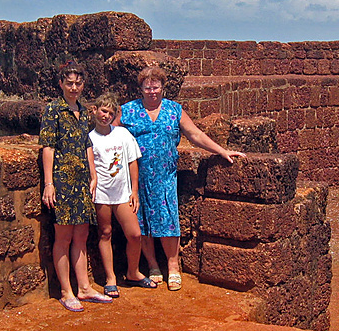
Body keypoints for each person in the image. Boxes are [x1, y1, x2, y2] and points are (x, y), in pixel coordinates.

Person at [117, 66, 246, 291]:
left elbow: (194, 134)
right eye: (147, 87)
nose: (152, 92)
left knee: (168, 221)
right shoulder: (128, 110)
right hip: (136, 179)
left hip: (165, 177)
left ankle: (173, 266)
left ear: (163, 88)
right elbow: (109, 133)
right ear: (141, 89)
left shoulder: (174, 110)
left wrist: (220, 151)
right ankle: (153, 265)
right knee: (142, 222)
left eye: (156, 87)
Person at [39, 61, 112, 312]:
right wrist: (49, 183)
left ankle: (83, 287)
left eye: (77, 83)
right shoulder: (53, 111)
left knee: (81, 235)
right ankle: (66, 290)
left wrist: (93, 175)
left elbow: (87, 145)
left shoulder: (83, 111)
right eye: (69, 83)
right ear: (61, 84)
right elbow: (47, 147)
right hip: (62, 180)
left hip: (82, 182)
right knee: (64, 236)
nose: (73, 87)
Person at [89, 92, 157, 297]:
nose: (106, 116)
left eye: (110, 113)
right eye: (103, 111)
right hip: (101, 193)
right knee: (105, 232)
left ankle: (133, 272)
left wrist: (134, 191)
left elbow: (132, 162)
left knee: (135, 234)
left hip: (122, 193)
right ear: (95, 110)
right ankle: (110, 278)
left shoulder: (122, 134)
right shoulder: (89, 138)